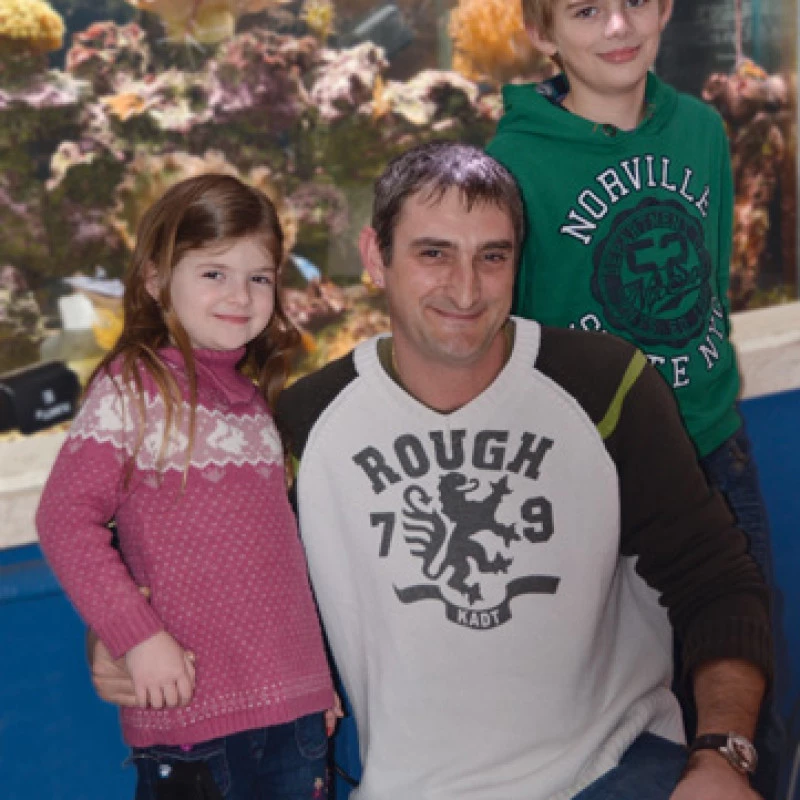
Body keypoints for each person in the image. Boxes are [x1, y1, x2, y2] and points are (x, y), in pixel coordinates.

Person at [91, 143, 772, 800]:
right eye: (434, 254)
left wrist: (722, 757)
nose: (466, 289)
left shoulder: (606, 385)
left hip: (615, 767)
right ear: (374, 258)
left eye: (492, 257)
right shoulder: (300, 424)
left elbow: (717, 584)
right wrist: (117, 636)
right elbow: (185, 569)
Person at [485, 1, 784, 794]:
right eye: (586, 10)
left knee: (747, 671)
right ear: (543, 31)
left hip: (714, 447)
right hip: (597, 471)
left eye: (635, 3)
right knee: (622, 707)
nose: (618, 27)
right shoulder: (513, 162)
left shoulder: (702, 131)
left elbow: (706, 281)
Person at [37, 174, 335, 800]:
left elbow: (278, 564)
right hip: (190, 720)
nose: (241, 295)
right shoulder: (132, 387)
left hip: (296, 717)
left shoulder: (255, 403)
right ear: (154, 279)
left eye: (260, 276)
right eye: (213, 273)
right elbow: (65, 519)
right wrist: (136, 637)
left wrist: (316, 682)